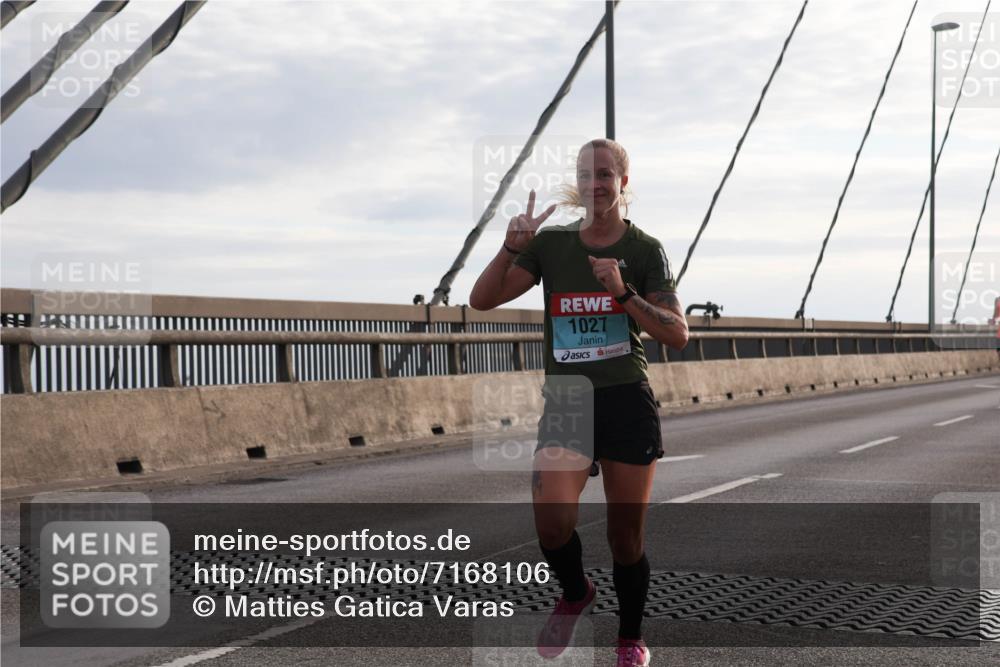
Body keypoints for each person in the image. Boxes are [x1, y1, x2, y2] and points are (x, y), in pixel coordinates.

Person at [469, 139, 689, 666]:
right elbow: (482, 299)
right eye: (587, 174)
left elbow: (677, 334)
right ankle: (575, 593)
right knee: (551, 522)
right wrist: (509, 246)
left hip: (625, 400)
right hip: (569, 400)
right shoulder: (552, 246)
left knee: (624, 536)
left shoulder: (644, 250)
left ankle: (629, 639)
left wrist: (622, 293)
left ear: (623, 183)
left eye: (606, 174)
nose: (596, 184)